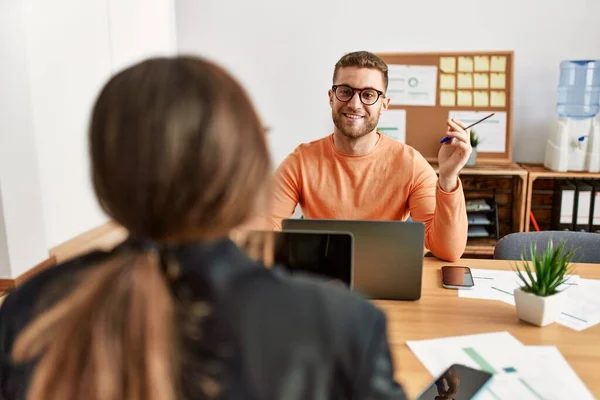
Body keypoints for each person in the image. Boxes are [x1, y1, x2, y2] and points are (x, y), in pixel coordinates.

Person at [0, 56, 407, 400]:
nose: (355, 102)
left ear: (103, 173)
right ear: (247, 170)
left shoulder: (30, 309)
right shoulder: (343, 325)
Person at [265, 51, 469, 262]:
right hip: (323, 282)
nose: (354, 104)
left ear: (384, 104)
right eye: (345, 91)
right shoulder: (301, 161)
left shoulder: (411, 164)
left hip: (386, 280)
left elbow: (448, 250)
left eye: (368, 94)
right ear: (331, 97)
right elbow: (261, 228)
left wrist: (447, 178)